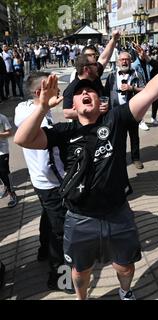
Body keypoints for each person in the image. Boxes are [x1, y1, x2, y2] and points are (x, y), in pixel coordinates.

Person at [14, 39, 158, 299]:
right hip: (80, 217)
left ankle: (125, 292)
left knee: (124, 266)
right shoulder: (64, 131)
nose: (85, 93)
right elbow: (22, 139)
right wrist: (42, 107)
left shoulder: (115, 120)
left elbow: (150, 92)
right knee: (81, 271)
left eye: (90, 91)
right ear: (74, 105)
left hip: (118, 213)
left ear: (99, 100)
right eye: (80, 92)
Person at [14, 72, 71, 292]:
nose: (58, 89)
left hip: (50, 180)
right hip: (47, 183)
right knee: (60, 230)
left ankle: (43, 249)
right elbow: (26, 127)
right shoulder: (25, 110)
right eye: (54, 86)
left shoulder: (38, 109)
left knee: (49, 216)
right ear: (40, 92)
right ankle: (58, 277)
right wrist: (44, 107)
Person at [104, 51, 145, 169]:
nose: (124, 62)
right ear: (117, 62)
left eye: (127, 59)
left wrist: (131, 88)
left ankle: (136, 158)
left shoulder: (137, 74)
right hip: (116, 111)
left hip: (132, 111)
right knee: (118, 137)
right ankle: (119, 158)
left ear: (130, 61)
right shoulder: (111, 75)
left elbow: (145, 90)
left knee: (134, 136)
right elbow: (106, 93)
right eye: (122, 59)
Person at [0, 112, 17, 208]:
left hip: (2, 150)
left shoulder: (2, 117)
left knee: (4, 172)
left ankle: (12, 193)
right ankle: (6, 187)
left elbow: (10, 133)